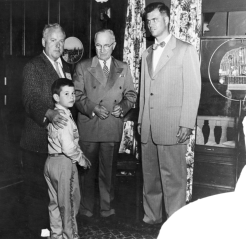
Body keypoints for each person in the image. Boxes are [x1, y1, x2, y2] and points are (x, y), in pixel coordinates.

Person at [138, 2, 201, 225]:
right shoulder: (146, 53)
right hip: (148, 127)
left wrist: (187, 123)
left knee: (173, 179)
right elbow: (144, 93)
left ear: (166, 19)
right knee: (150, 178)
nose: (150, 24)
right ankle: (152, 217)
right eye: (148, 21)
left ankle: (175, 223)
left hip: (173, 126)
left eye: (154, 19)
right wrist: (140, 121)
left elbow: (193, 89)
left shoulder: (185, 49)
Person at [73, 29, 137, 221]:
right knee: (86, 171)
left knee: (108, 171)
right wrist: (93, 108)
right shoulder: (83, 66)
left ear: (114, 45)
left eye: (106, 45)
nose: (102, 50)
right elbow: (76, 95)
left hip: (111, 125)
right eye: (98, 45)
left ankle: (107, 208)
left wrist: (123, 107)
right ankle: (86, 208)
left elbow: (131, 94)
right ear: (94, 45)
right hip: (90, 125)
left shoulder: (123, 68)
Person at [20, 23, 72, 237]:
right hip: (37, 141)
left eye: (61, 41)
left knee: (58, 193)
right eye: (53, 40)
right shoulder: (33, 66)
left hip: (61, 144)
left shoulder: (66, 67)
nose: (58, 45)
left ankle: (56, 230)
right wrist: (48, 114)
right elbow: (30, 100)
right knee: (38, 194)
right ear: (44, 42)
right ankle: (40, 232)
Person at [44, 78, 91, 239]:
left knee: (55, 203)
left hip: (51, 161)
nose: (72, 97)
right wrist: (81, 159)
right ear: (56, 97)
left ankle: (56, 235)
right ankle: (71, 236)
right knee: (69, 205)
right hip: (64, 163)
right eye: (66, 94)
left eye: (73, 93)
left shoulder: (55, 115)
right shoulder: (63, 118)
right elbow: (68, 147)